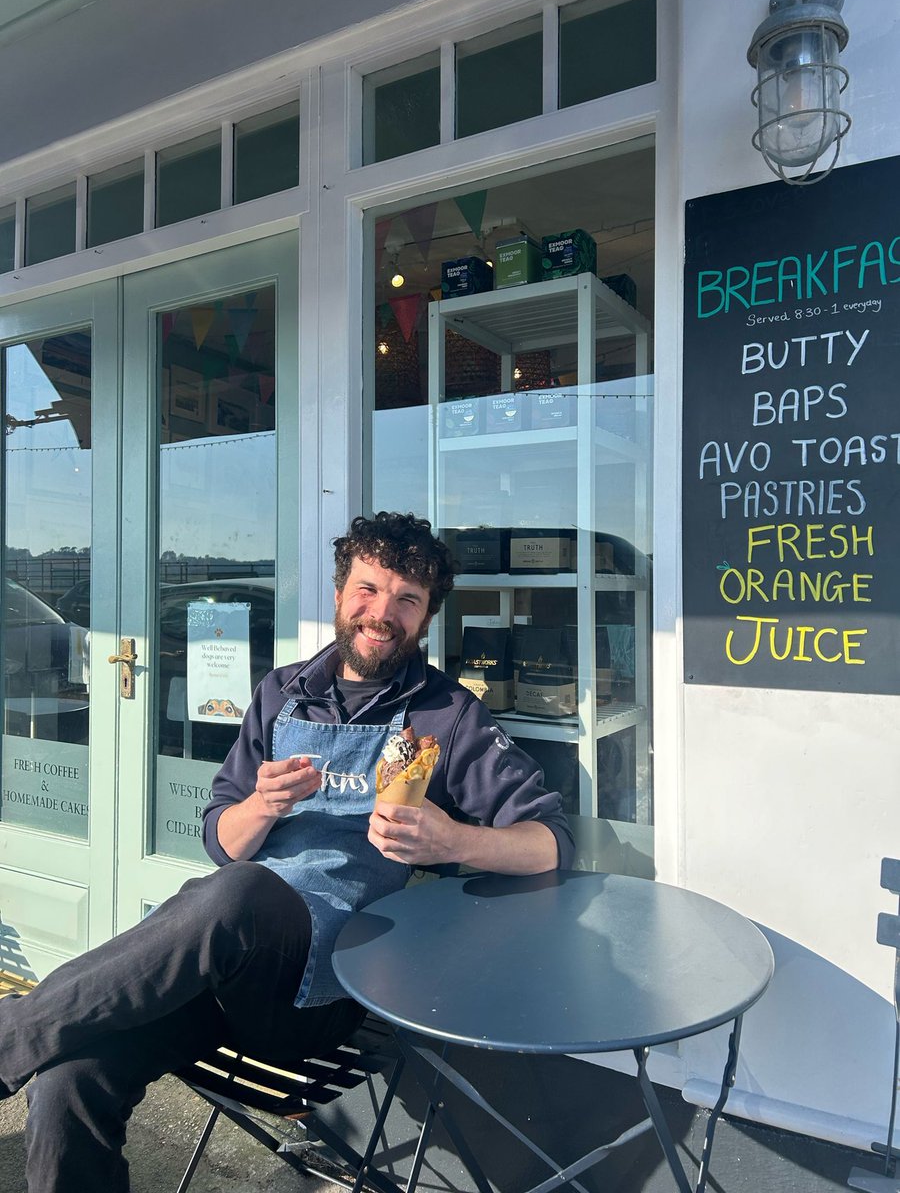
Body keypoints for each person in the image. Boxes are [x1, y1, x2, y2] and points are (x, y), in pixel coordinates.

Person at [0, 511, 574, 1192]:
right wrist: (262, 805)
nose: (381, 613)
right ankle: (29, 1045)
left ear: (425, 619)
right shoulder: (282, 692)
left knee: (239, 894)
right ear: (339, 595)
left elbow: (550, 845)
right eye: (367, 590)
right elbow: (221, 837)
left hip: (327, 991)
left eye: (406, 600)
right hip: (224, 968)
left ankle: (11, 1037)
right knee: (71, 1076)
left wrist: (452, 838)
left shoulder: (446, 717)